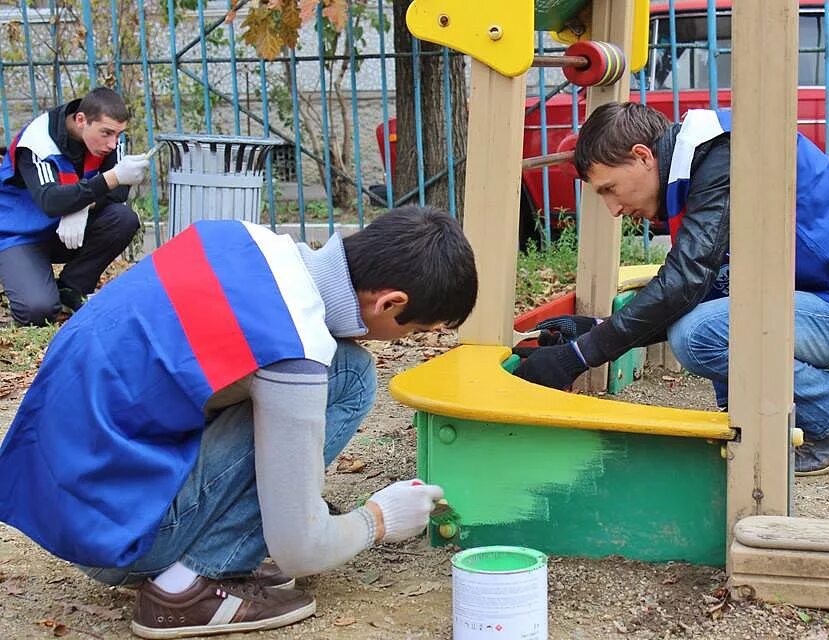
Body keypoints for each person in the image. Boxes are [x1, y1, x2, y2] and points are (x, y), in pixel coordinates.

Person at [0, 206, 478, 638]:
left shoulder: (240, 239)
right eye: (413, 332)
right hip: (115, 539)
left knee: (325, 374)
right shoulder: (295, 347)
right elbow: (300, 552)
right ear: (391, 303)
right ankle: (187, 587)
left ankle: (196, 554)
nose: (397, 342)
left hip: (65, 498)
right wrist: (378, 519)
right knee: (349, 374)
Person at [515, 103, 829, 477]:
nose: (614, 209)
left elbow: (684, 283)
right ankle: (756, 424)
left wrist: (579, 356)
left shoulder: (722, 156)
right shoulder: (707, 160)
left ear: (642, 156)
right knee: (714, 308)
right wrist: (594, 330)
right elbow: (701, 287)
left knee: (697, 336)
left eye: (609, 188)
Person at [0, 86, 149, 326]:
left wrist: (82, 206)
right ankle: (29, 280)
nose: (113, 143)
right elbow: (51, 201)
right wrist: (106, 182)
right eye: (107, 133)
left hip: (67, 231)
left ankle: (71, 287)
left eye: (119, 135)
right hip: (19, 235)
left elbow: (119, 193)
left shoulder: (109, 140)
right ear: (81, 120)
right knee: (37, 312)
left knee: (123, 219)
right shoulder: (37, 142)